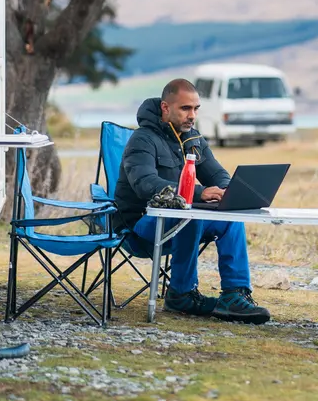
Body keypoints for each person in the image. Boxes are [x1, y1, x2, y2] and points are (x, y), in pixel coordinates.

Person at [113, 79, 270, 324]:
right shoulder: (142, 140)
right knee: (190, 218)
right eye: (186, 108)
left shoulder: (193, 139)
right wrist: (199, 194)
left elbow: (218, 174)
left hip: (180, 220)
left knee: (230, 219)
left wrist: (229, 191)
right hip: (140, 225)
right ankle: (181, 295)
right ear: (165, 108)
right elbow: (145, 184)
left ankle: (234, 295)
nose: (192, 115)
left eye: (196, 109)